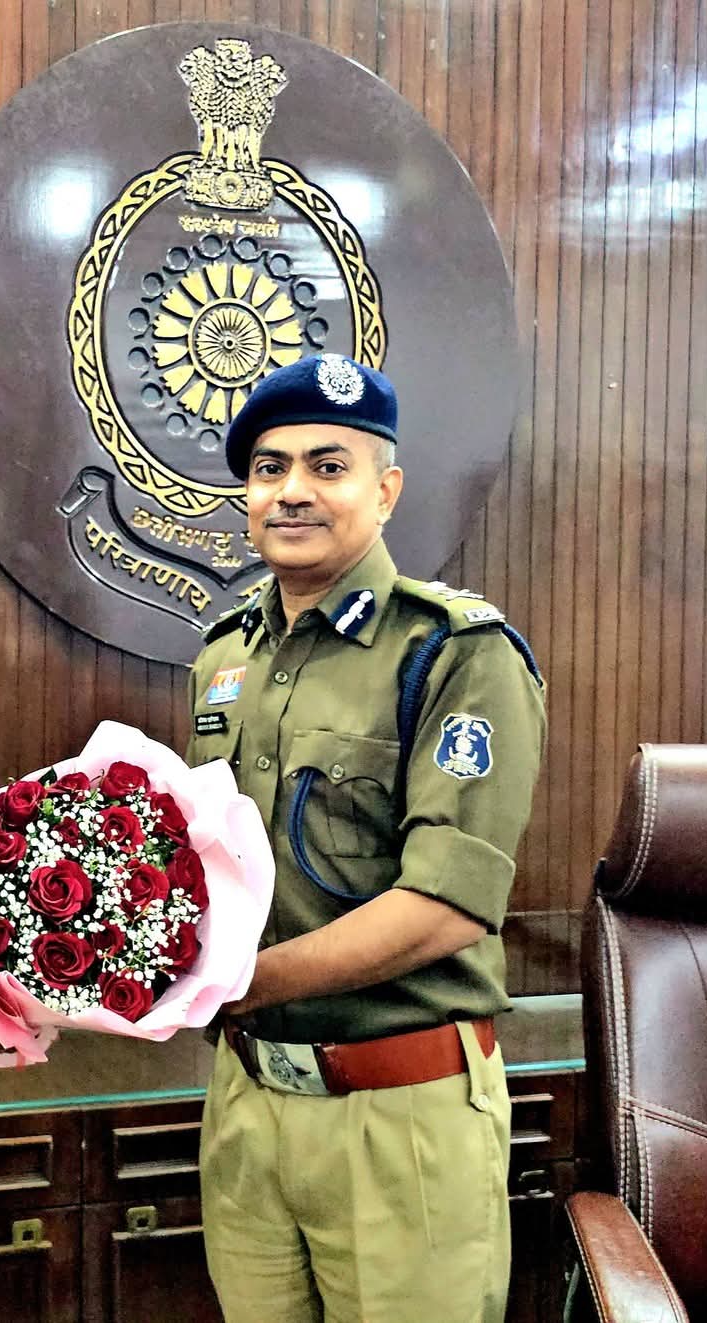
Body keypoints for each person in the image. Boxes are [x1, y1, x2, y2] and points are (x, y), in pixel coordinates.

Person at [185, 352, 547, 1323]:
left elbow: (445, 908)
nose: (292, 490)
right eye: (269, 468)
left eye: (328, 465)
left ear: (385, 492)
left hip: (400, 1112)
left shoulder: (453, 653)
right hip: (246, 1102)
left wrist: (237, 985)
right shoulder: (223, 660)